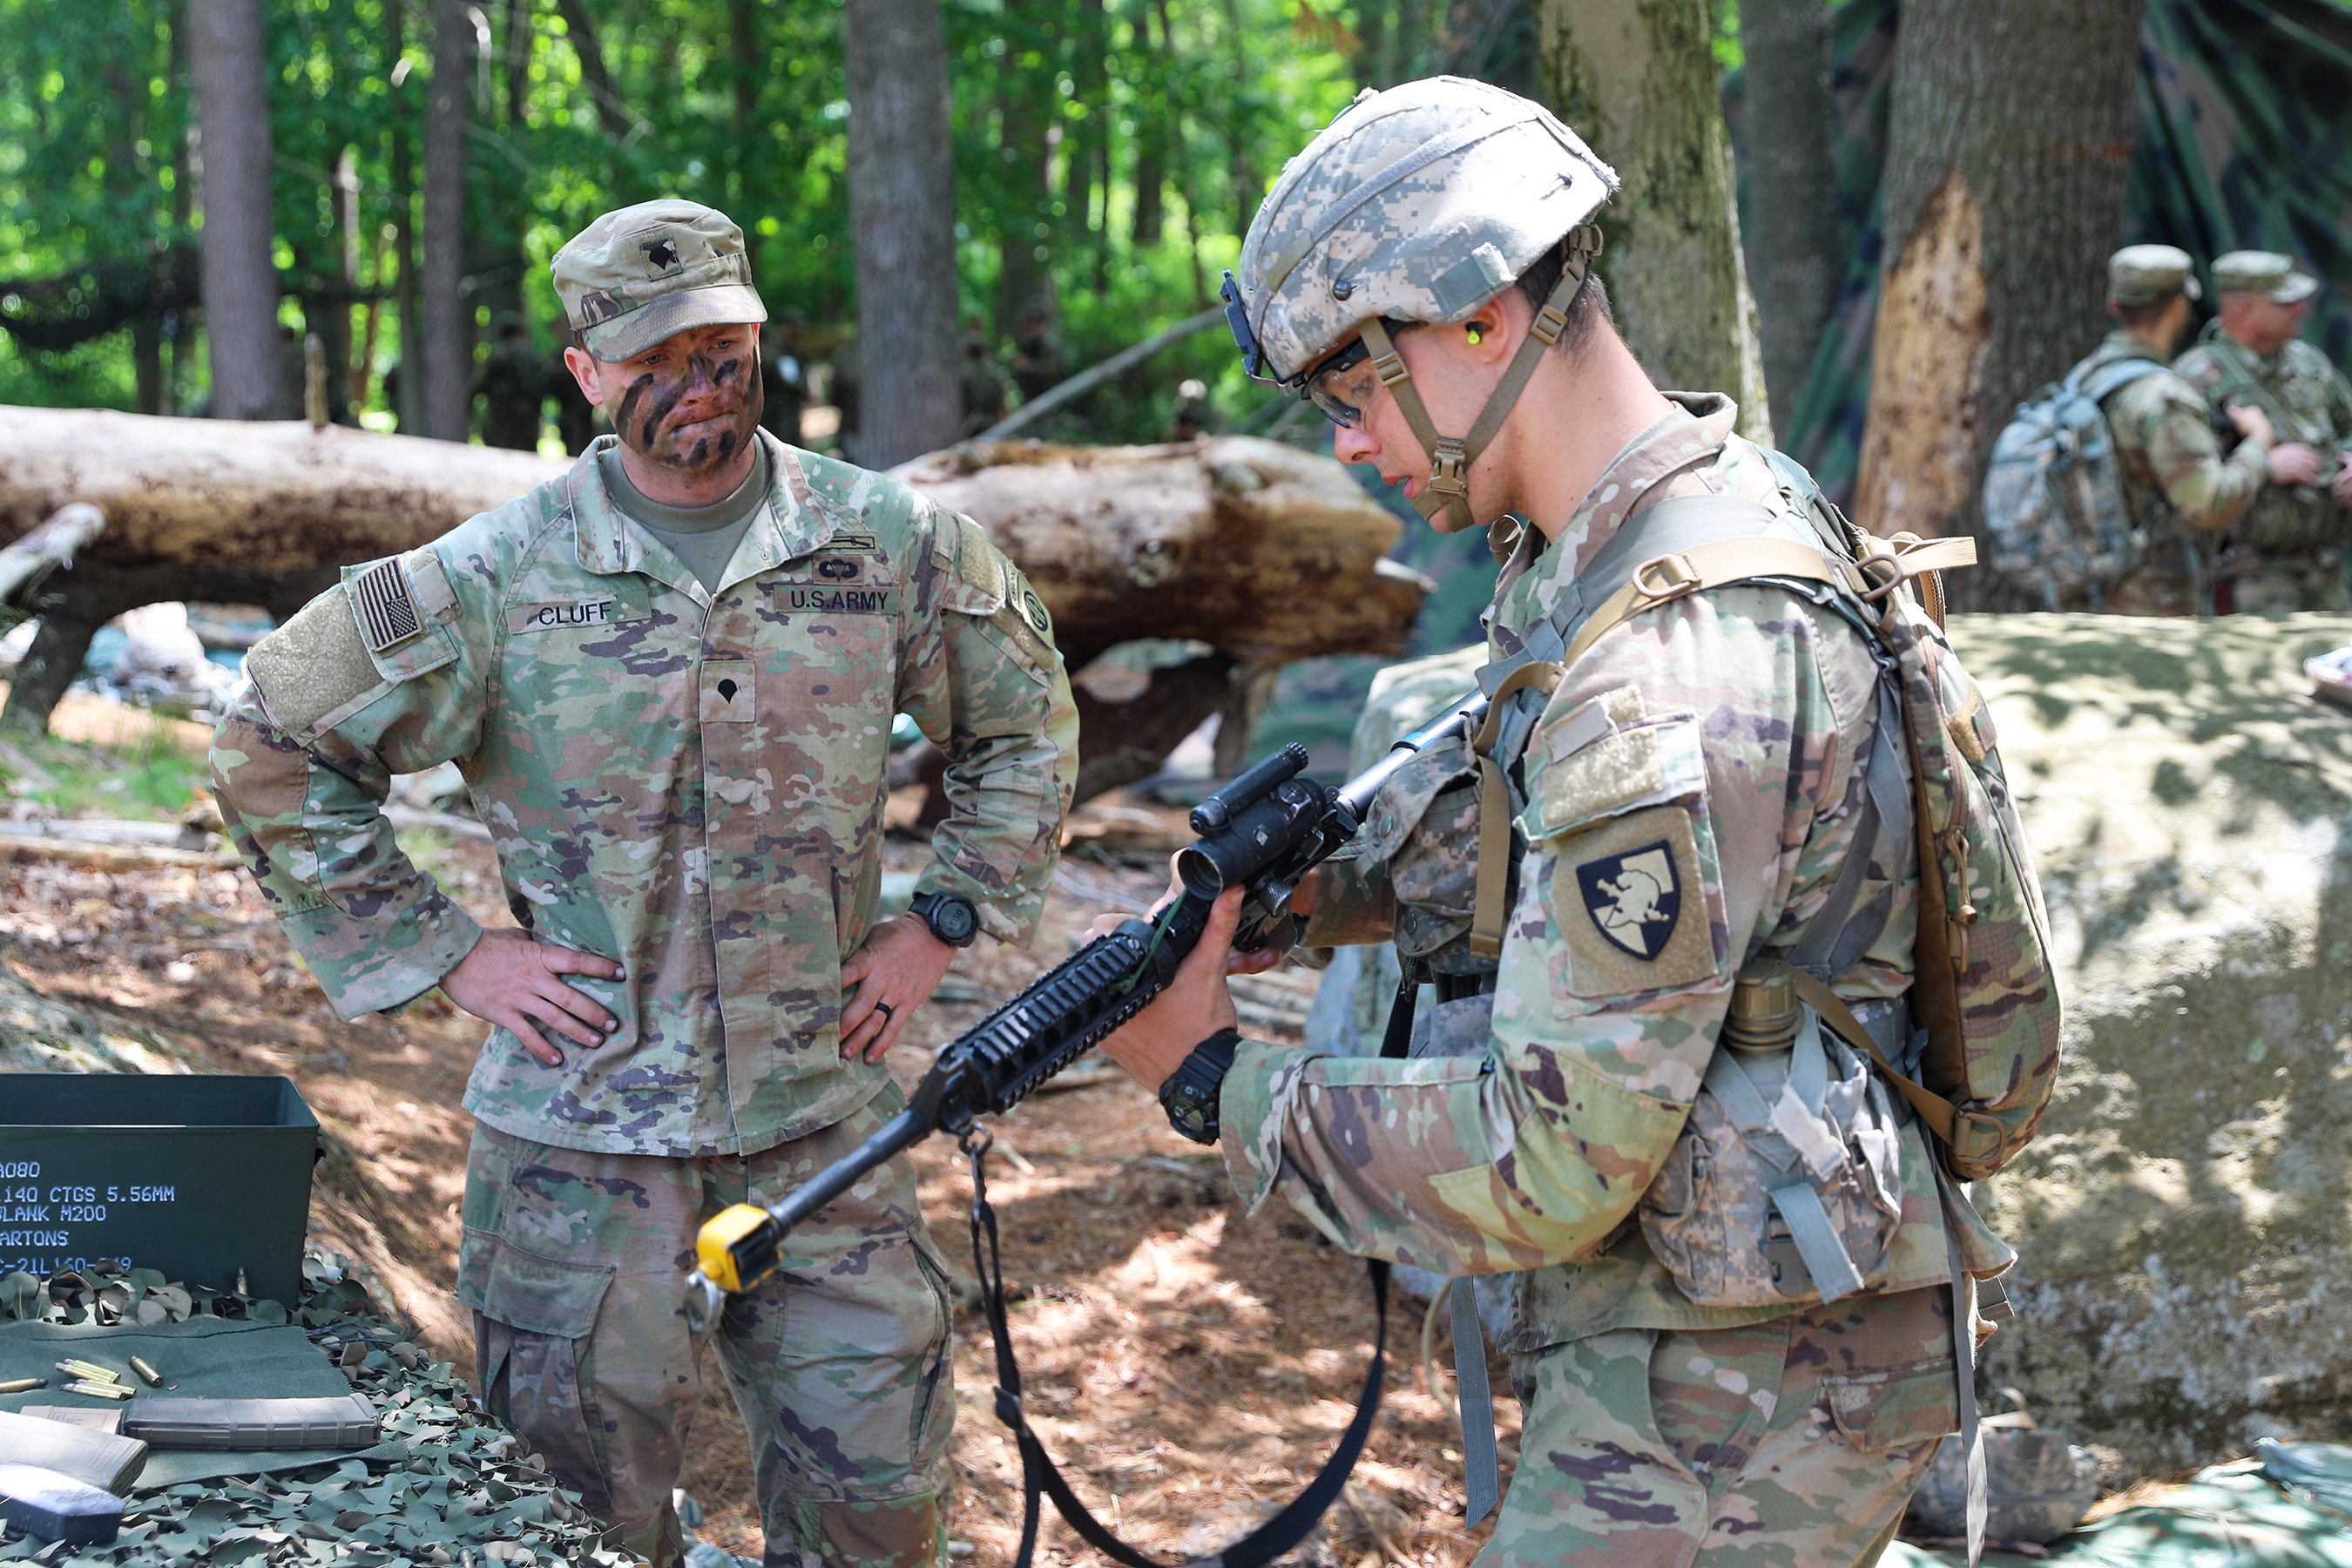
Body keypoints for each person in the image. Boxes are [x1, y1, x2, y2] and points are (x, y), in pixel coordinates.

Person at [1094, 78, 2018, 1566]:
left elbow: (1549, 1157)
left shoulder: (1665, 668)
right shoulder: (1661, 529)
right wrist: (1312, 900)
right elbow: (1546, 827)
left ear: (1480, 320)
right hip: (1729, 1321)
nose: (1344, 444)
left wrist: (1218, 1082)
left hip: (1754, 1393)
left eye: (1352, 387)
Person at [210, 197, 1079, 1568]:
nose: (697, 391)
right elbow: (267, 735)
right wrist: (447, 954)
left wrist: (946, 918)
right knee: (571, 1530)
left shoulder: (888, 543)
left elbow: (1024, 719)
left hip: (825, 1134)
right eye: (656, 362)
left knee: (880, 1517)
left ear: (755, 341)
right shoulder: (491, 577)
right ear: (587, 373)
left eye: (720, 351)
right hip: (581, 1155)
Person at [2082, 245, 2274, 615]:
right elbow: (2210, 504)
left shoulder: (2088, 378)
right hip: (2152, 606)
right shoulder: (2164, 397)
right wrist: (2259, 444)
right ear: (2177, 309)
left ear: (2113, 304)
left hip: (2090, 591)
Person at [2171, 250, 2352, 611]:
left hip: (2325, 570)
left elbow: (2347, 425)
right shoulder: (2193, 380)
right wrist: (2264, 465)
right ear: (2244, 310)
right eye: (2285, 303)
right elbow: (2186, 484)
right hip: (2243, 578)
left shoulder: (2308, 363)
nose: (2299, 310)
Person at [477, 315, 548, 451]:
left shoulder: (499, 353)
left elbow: (483, 382)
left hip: (502, 412)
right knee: (526, 450)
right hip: (529, 413)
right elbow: (543, 383)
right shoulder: (534, 355)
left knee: (499, 448)